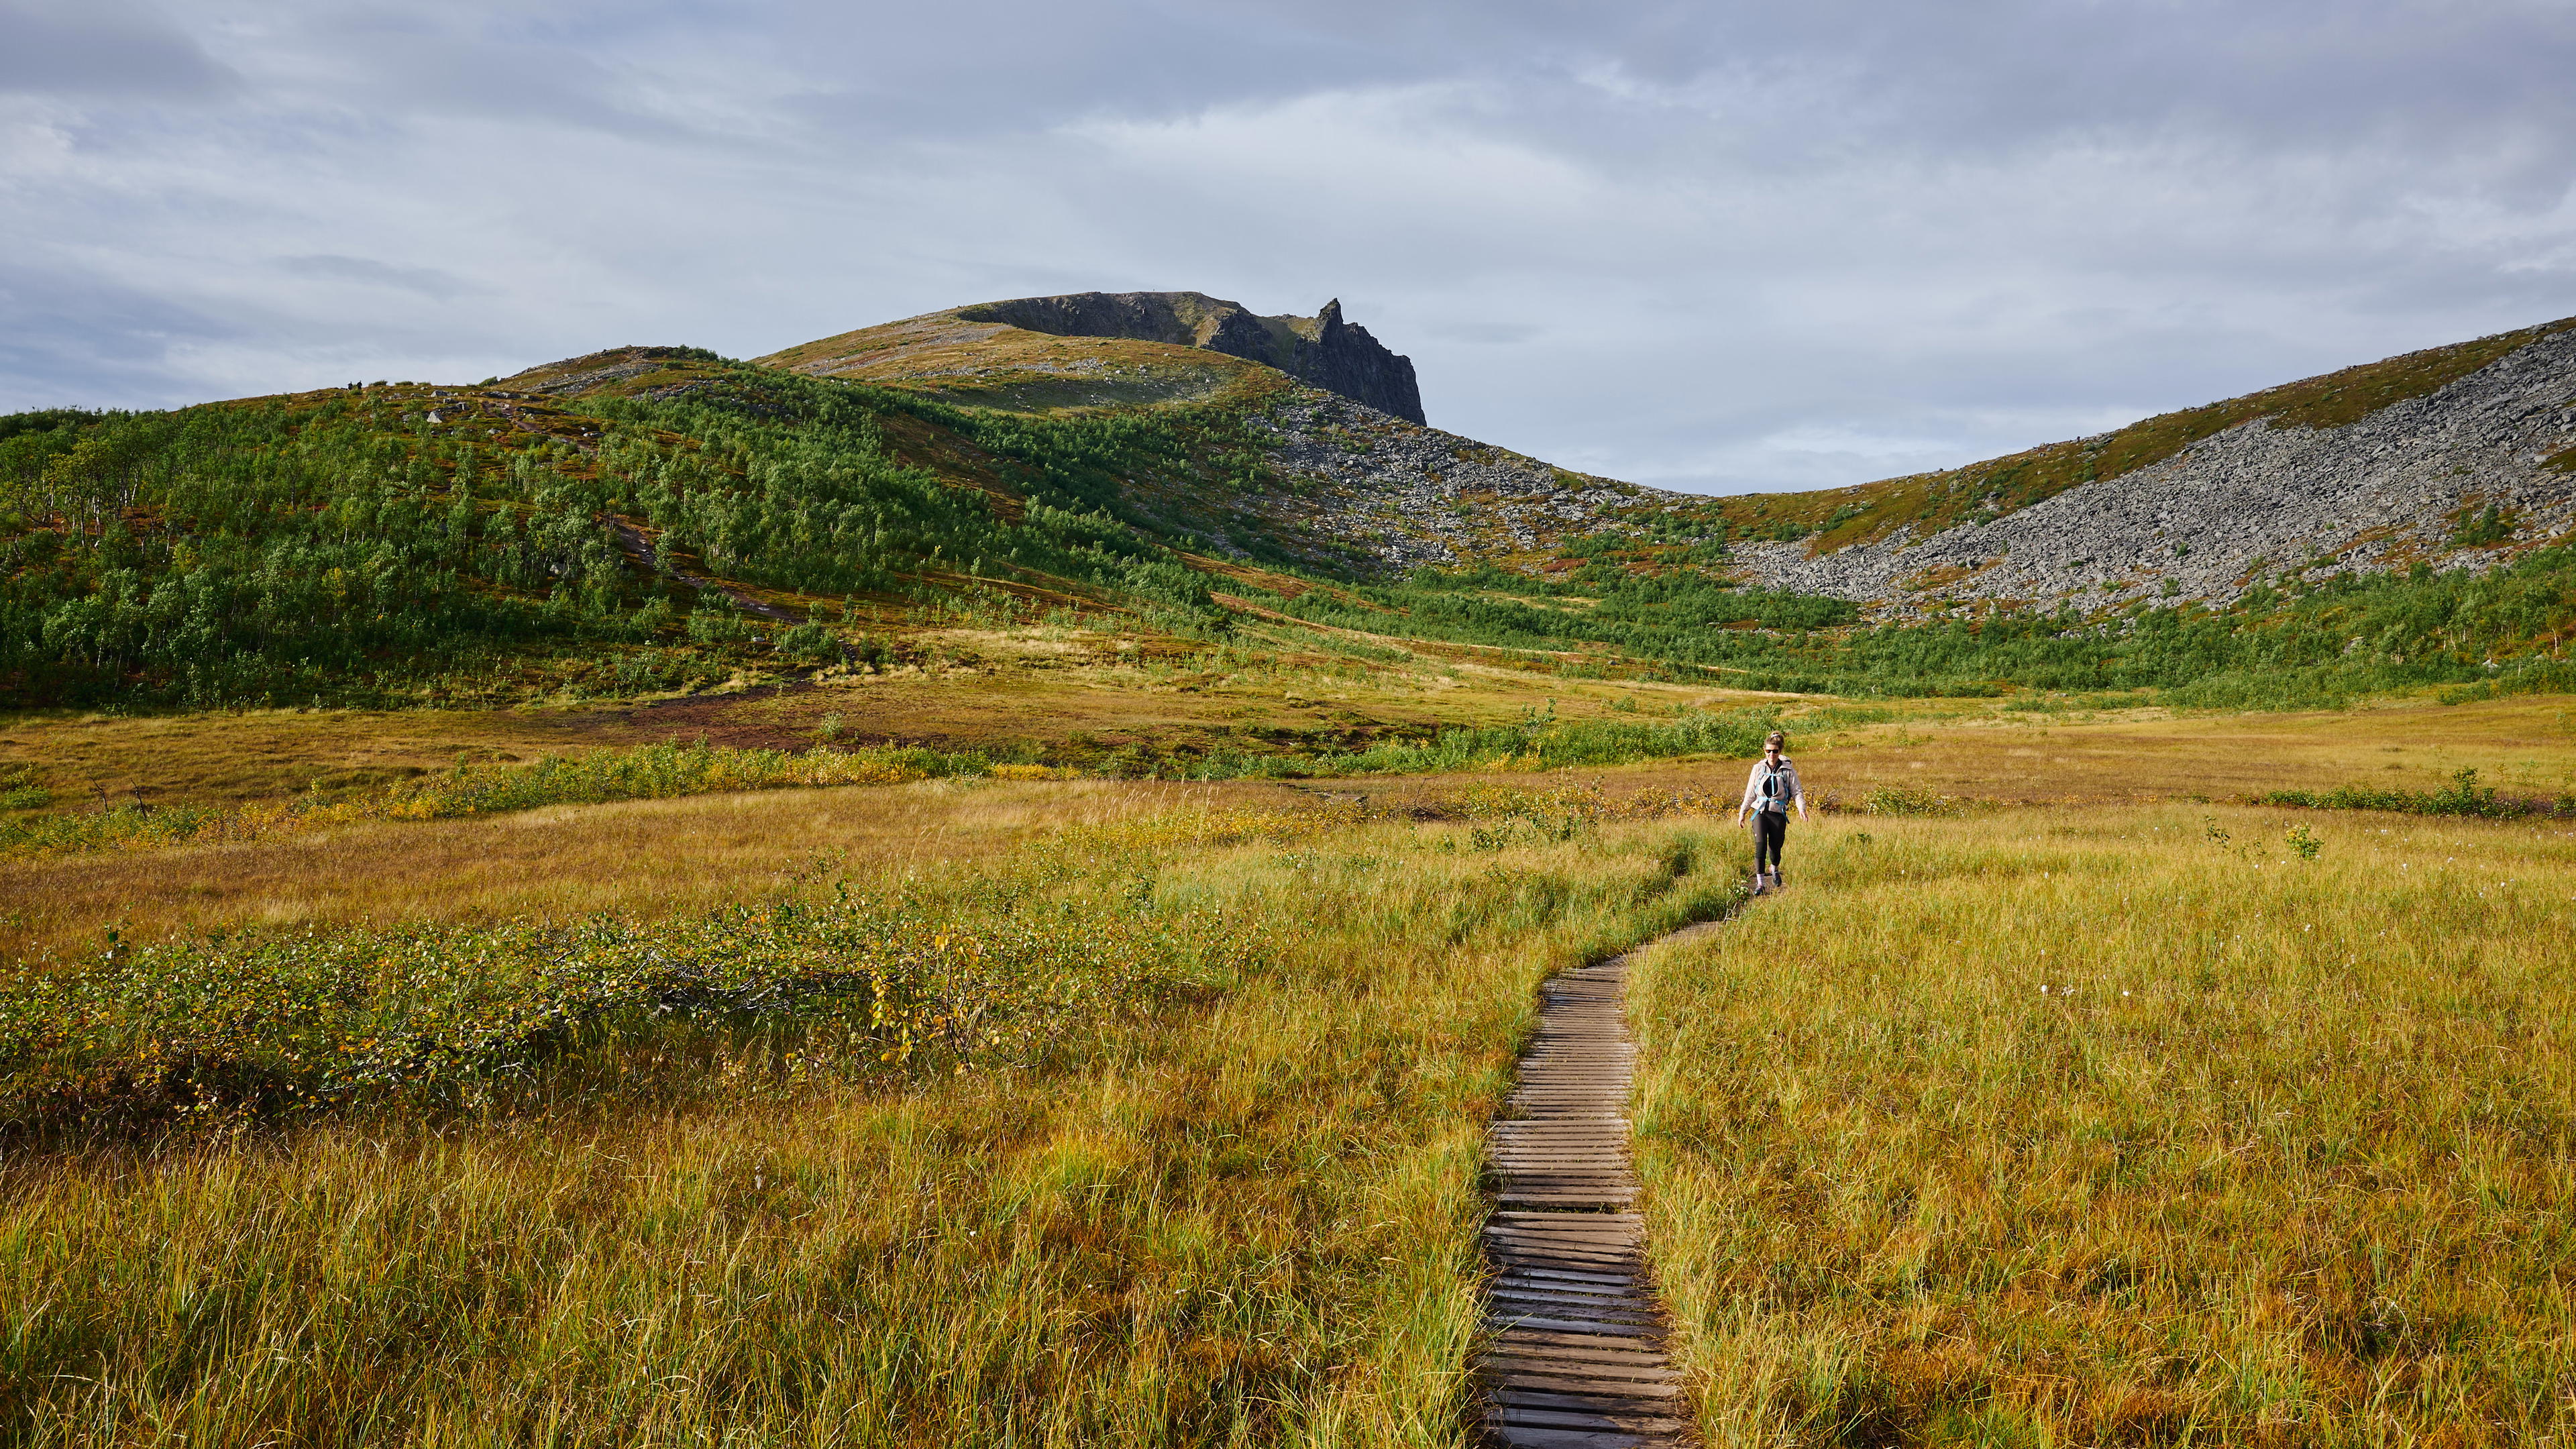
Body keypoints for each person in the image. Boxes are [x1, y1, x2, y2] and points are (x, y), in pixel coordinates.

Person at [1735, 731, 1807, 894]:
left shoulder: (1788, 770)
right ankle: (1760, 884)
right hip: (1759, 811)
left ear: (1780, 752)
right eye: (1768, 751)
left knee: (1775, 848)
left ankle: (1774, 867)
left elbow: (1797, 792)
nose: (1771, 754)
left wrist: (1801, 808)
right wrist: (1742, 813)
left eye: (1775, 751)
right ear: (1764, 751)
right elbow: (1750, 792)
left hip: (1777, 813)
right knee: (1760, 845)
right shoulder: (1758, 768)